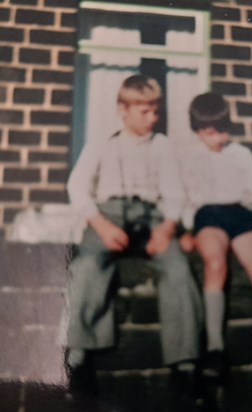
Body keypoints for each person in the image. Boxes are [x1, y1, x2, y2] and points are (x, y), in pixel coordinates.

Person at [65, 74, 203, 398]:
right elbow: (77, 186)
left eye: (156, 111)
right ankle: (79, 356)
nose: (153, 118)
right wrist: (100, 225)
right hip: (109, 218)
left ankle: (184, 363)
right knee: (86, 267)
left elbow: (174, 194)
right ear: (122, 109)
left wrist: (167, 229)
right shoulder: (102, 141)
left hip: (152, 220)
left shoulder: (163, 145)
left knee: (178, 269)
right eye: (145, 112)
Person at [179, 92, 252, 381]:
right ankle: (215, 349)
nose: (219, 138)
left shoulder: (241, 154)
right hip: (207, 216)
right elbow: (183, 198)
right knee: (215, 264)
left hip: (239, 215)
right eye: (211, 133)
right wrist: (188, 229)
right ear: (198, 131)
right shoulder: (188, 157)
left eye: (223, 130)